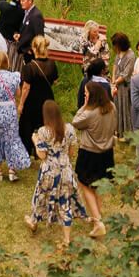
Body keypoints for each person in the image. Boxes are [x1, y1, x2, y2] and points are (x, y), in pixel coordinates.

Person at [25, 100, 87, 248]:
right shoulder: (69, 129)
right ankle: (67, 239)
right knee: (65, 203)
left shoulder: (43, 132)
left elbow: (42, 155)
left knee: (41, 196)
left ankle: (33, 222)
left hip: (49, 172)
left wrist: (35, 140)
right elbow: (71, 153)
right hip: (65, 171)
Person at [71, 81, 116, 238]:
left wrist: (84, 106)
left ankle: (98, 222)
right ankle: (98, 214)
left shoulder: (89, 114)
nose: (85, 95)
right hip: (107, 153)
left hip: (89, 154)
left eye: (86, 93)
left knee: (84, 184)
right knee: (98, 184)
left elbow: (75, 122)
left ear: (92, 96)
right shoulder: (111, 107)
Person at [0, 52, 30, 181]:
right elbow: (18, 94)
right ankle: (12, 169)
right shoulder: (14, 77)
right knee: (11, 137)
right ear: (7, 62)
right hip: (10, 110)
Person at [17, 35, 59, 160]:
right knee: (45, 125)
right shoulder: (52, 64)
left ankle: (27, 150)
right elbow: (55, 80)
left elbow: (26, 88)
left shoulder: (29, 67)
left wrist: (21, 104)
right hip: (47, 99)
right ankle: (43, 150)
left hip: (32, 101)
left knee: (27, 126)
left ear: (34, 49)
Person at [110, 32, 135, 140]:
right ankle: (118, 131)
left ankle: (127, 134)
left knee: (125, 109)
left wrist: (115, 82)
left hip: (124, 87)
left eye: (116, 45)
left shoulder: (130, 55)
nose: (114, 47)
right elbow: (115, 65)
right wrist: (113, 80)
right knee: (117, 108)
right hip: (117, 86)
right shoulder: (119, 53)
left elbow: (126, 74)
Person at [13, 0, 45, 68]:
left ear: (30, 1)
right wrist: (19, 35)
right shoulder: (26, 12)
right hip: (24, 51)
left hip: (31, 55)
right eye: (20, 1)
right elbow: (27, 30)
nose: (21, 3)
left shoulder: (36, 15)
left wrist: (30, 50)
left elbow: (40, 36)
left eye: (23, 1)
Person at [0, 0, 23, 64]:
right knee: (10, 62)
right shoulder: (21, 11)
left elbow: (0, 0)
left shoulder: (4, 6)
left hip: (1, 36)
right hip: (12, 40)